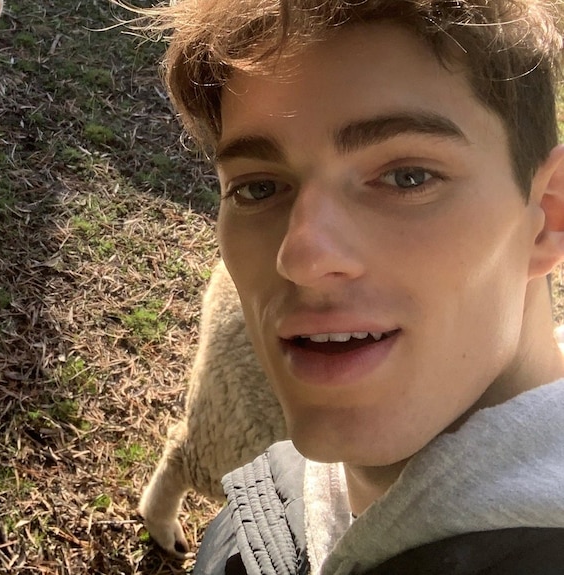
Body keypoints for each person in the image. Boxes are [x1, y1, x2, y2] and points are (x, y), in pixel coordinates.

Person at [145, 0, 564, 573]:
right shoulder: (279, 504)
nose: (301, 256)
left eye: (407, 177)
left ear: (546, 215)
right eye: (258, 188)